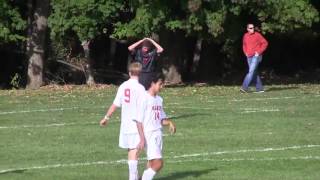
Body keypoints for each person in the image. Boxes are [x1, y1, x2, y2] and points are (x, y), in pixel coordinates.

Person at [100, 62, 146, 180]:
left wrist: (106, 117)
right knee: (135, 151)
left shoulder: (123, 86)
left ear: (129, 73)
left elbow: (115, 104)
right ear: (140, 73)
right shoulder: (141, 88)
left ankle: (135, 176)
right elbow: (144, 107)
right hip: (137, 125)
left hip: (125, 125)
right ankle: (134, 177)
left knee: (131, 151)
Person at [136, 73, 176, 180]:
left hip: (158, 133)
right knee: (159, 163)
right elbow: (138, 121)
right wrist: (142, 138)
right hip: (149, 134)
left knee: (151, 163)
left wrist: (170, 123)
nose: (162, 87)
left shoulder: (159, 99)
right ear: (153, 83)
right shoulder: (144, 98)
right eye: (160, 84)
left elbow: (161, 119)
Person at [241, 23, 268, 93]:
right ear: (247, 29)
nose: (252, 29)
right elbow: (244, 45)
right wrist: (245, 52)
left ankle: (244, 87)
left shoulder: (257, 35)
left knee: (251, 72)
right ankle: (260, 88)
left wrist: (258, 52)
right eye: (250, 28)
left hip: (256, 56)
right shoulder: (245, 36)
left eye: (253, 28)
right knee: (254, 72)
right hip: (249, 56)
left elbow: (265, 43)